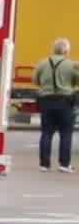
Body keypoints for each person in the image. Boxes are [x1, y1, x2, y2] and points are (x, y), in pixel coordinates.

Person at [33, 37, 79, 173]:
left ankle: (44, 165)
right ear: (67, 50)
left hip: (46, 101)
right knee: (66, 134)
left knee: (46, 133)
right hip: (65, 102)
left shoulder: (42, 63)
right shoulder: (71, 65)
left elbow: (35, 80)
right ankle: (64, 164)